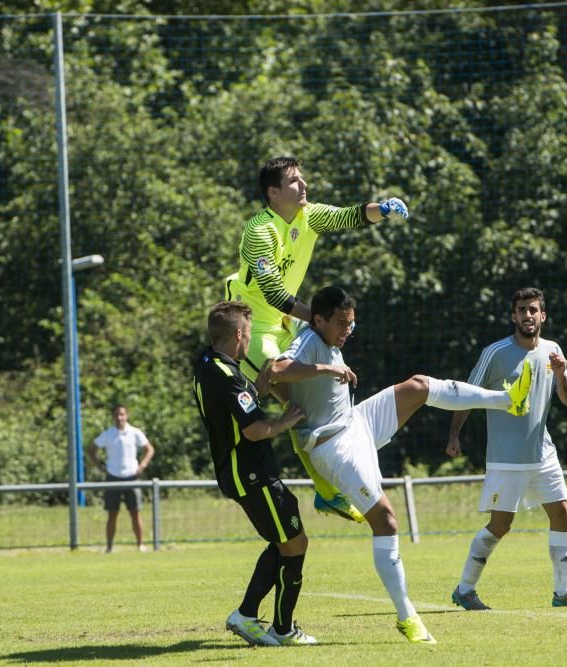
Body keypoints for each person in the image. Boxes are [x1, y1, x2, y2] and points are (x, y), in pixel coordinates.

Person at [262, 286, 532, 645]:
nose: (347, 331)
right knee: (387, 521)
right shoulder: (309, 339)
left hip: (356, 422)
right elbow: (276, 369)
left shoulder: (326, 335)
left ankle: (507, 400)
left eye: (351, 325)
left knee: (418, 385)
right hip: (335, 446)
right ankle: (407, 617)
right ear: (319, 319)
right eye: (341, 324)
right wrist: (325, 368)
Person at [224, 155, 409, 523]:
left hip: (290, 320)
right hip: (254, 327)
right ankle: (327, 494)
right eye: (294, 181)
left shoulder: (309, 214)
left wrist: (383, 209)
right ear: (273, 193)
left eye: (302, 178)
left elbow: (350, 216)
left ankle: (341, 468)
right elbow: (273, 292)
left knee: (326, 393)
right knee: (299, 407)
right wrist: (321, 321)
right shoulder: (259, 230)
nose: (304, 185)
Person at [445, 287, 567, 611]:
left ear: (543, 315)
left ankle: (563, 592)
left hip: (543, 453)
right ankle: (465, 590)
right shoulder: (496, 352)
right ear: (513, 316)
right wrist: (454, 434)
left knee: (562, 514)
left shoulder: (553, 350)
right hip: (506, 458)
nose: (528, 315)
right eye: (522, 310)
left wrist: (561, 374)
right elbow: (467, 395)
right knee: (501, 525)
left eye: (533, 310)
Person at [193, 301, 315, 646]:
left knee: (287, 541)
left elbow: (237, 406)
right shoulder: (226, 374)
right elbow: (253, 430)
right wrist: (286, 421)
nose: (250, 339)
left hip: (246, 471)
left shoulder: (208, 362)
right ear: (238, 334)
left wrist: (260, 385)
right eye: (248, 332)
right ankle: (268, 623)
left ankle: (263, 620)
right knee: (294, 544)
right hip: (250, 472)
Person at [88, 405, 155, 553]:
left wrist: (142, 465)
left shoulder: (135, 432)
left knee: (135, 513)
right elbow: (91, 450)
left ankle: (140, 545)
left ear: (127, 416)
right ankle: (109, 547)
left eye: (122, 415)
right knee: (112, 514)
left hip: (132, 477)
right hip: (113, 477)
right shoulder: (108, 434)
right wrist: (100, 467)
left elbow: (149, 449)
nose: (120, 418)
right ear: (113, 417)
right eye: (117, 415)